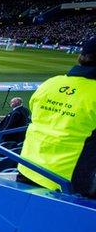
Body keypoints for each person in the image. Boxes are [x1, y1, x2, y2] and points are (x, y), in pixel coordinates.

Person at [18, 37, 96, 198]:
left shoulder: (51, 83)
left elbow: (35, 113)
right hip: (67, 185)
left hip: (28, 169)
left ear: (80, 57)